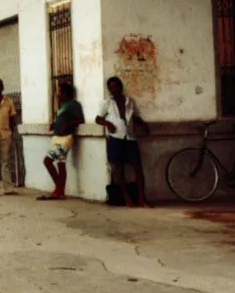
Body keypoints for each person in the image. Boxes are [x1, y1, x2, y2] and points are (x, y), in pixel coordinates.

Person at [95, 76, 151, 207]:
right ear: (109, 89)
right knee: (118, 169)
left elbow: (135, 117)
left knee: (137, 168)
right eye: (111, 87)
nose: (114, 89)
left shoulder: (130, 101)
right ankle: (127, 199)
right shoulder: (107, 103)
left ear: (121, 87)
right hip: (115, 139)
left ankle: (142, 199)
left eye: (116, 86)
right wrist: (108, 123)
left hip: (130, 138)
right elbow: (98, 119)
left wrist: (143, 124)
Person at [39, 82, 84, 201]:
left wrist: (67, 125)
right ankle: (60, 191)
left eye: (59, 91)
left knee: (47, 161)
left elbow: (80, 119)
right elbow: (62, 118)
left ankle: (59, 188)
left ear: (66, 92)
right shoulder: (63, 105)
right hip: (57, 136)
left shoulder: (74, 105)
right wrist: (55, 124)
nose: (58, 94)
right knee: (60, 163)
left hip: (65, 138)